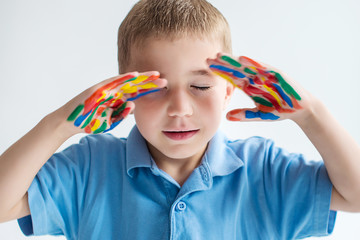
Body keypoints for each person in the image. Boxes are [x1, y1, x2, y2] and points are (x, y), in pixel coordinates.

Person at [0, 0, 359, 239]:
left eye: (200, 86)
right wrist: (61, 122)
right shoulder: (89, 168)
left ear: (228, 91)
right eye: (155, 88)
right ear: (123, 94)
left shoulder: (264, 171)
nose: (180, 108)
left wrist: (310, 114)